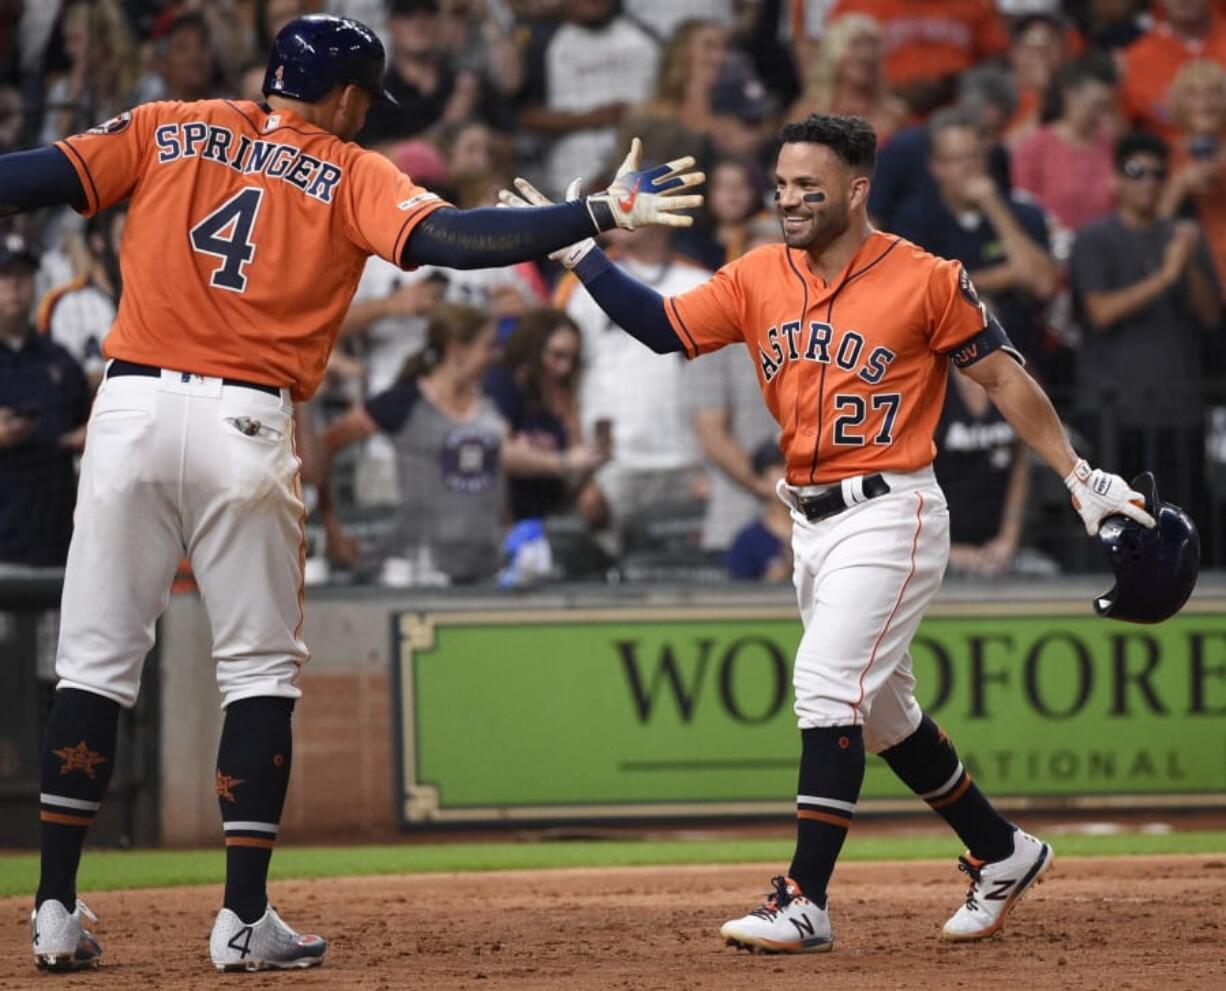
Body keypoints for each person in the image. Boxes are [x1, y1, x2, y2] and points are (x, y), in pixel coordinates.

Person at [2, 12, 702, 973]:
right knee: (257, 671)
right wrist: (596, 214)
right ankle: (242, 918)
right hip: (245, 418)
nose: (366, 114)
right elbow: (455, 238)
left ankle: (52, 906)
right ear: (341, 95)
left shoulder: (169, 122)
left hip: (126, 410)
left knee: (92, 665)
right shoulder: (348, 166)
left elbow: (25, 176)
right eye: (365, 99)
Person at [501, 112, 1153, 954]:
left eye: (809, 186)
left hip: (893, 509)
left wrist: (1078, 476)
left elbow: (1002, 376)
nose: (790, 199)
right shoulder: (759, 274)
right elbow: (665, 327)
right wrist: (584, 252)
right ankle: (1003, 849)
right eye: (780, 185)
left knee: (825, 685)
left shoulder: (925, 277)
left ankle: (804, 898)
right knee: (883, 717)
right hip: (807, 518)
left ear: (856, 189)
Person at [1070, 131, 1221, 539]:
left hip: (1179, 405)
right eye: (1136, 172)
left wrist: (1186, 266)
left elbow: (1210, 315)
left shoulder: (1183, 238)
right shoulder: (1094, 237)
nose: (1148, 182)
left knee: (1184, 523)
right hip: (1116, 408)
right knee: (1121, 528)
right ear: (1116, 179)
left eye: (1158, 174)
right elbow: (1100, 312)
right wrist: (1166, 275)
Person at [895, 108, 1059, 364]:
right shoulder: (914, 221)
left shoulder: (1023, 213)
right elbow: (917, 296)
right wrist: (1009, 275)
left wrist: (993, 205)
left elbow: (1044, 284)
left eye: (976, 156)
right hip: (943, 368)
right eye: (958, 159)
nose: (970, 168)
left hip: (1023, 360)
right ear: (937, 167)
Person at [0, 235, 89, 568]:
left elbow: (88, 425)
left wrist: (80, 438)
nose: (15, 286)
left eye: (23, 277)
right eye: (6, 276)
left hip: (55, 542)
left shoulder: (61, 361)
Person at [484, 308, 607, 522]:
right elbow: (499, 452)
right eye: (557, 355)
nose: (564, 368)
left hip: (552, 516)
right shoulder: (502, 382)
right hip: (508, 517)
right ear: (533, 348)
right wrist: (563, 462)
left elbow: (576, 460)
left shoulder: (562, 392)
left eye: (571, 358)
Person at [933, 367, 1030, 577]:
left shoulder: (1009, 378)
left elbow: (1019, 468)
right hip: (942, 543)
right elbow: (916, 475)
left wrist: (1008, 539)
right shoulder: (934, 384)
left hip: (998, 543)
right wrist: (946, 550)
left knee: (1042, 573)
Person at [726, 437, 792, 580]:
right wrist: (785, 568)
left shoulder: (824, 528)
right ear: (761, 482)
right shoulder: (748, 541)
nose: (790, 472)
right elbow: (740, 597)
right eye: (781, 466)